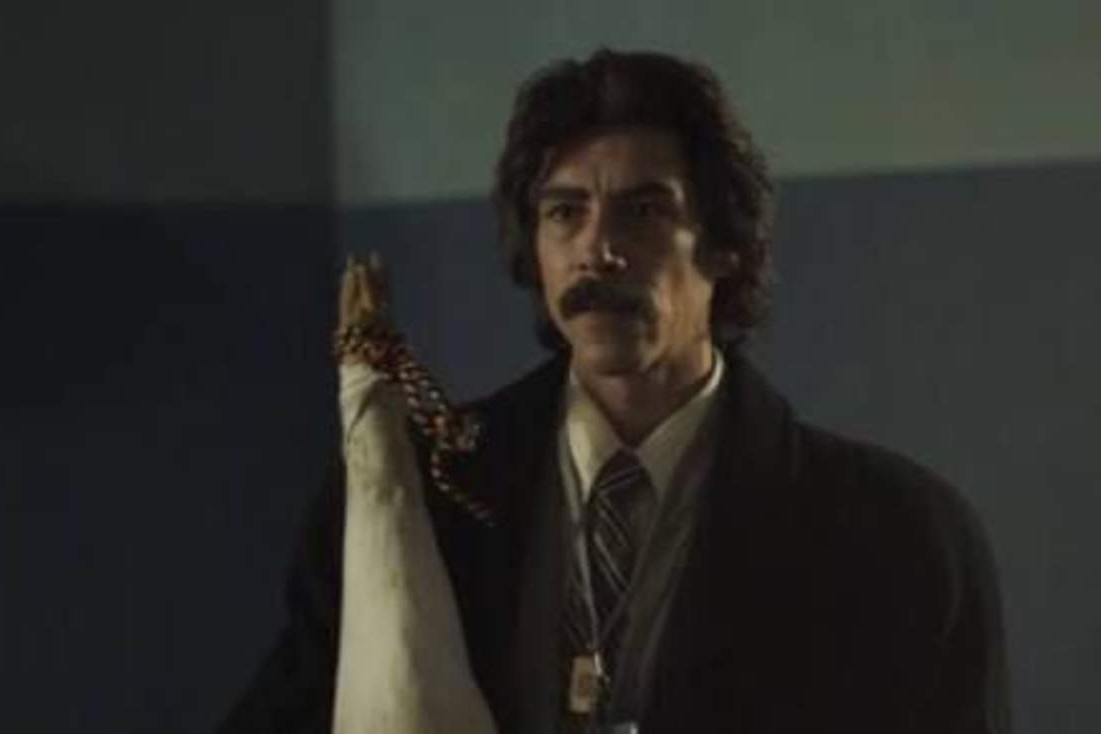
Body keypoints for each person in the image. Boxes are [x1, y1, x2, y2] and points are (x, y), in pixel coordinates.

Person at [220, 48, 1011, 733]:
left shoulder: (895, 537)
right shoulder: (415, 497)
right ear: (534, 247)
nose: (598, 250)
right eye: (566, 212)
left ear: (726, 246)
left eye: (643, 211)